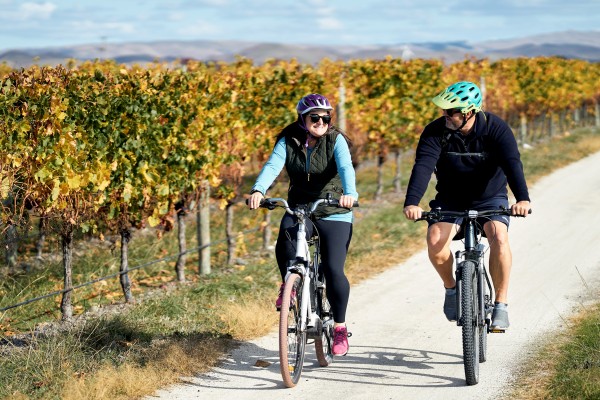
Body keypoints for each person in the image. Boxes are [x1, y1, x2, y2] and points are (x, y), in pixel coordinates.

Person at [403, 81, 531, 330]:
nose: (445, 115)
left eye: (451, 112)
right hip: (450, 199)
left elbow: (512, 163)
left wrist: (522, 199)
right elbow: (423, 165)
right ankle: (451, 289)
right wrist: (412, 202)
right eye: (444, 110)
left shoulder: (495, 128)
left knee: (499, 238)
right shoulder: (436, 131)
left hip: (490, 197)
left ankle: (501, 304)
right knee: (435, 241)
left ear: (469, 112)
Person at [247, 93, 359, 356]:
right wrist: (259, 190)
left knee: (333, 269)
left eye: (325, 118)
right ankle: (289, 285)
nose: (321, 122)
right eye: (315, 117)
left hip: (334, 208)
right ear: (302, 119)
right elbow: (273, 166)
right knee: (286, 236)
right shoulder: (288, 141)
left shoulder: (336, 140)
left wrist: (350, 194)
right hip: (301, 207)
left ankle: (339, 327)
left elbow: (346, 168)